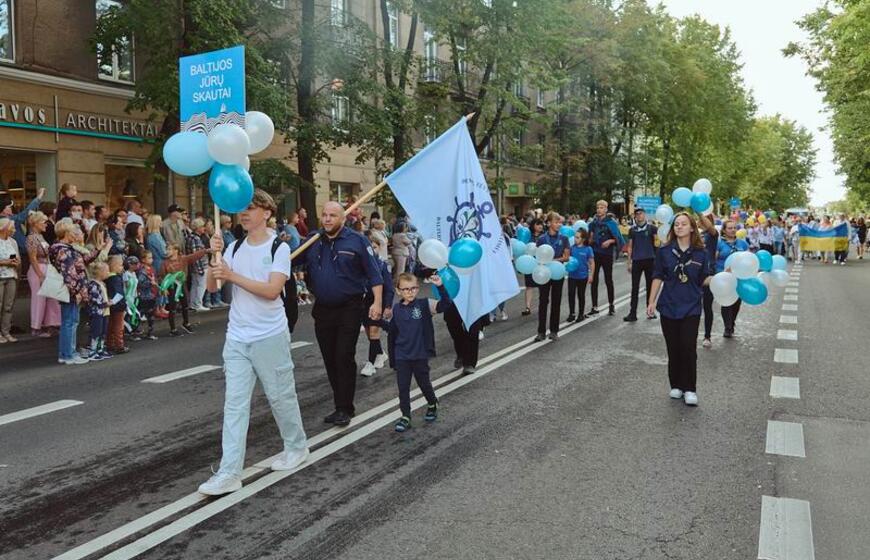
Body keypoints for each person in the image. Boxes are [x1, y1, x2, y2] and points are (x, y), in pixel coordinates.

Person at [199, 189, 309, 496]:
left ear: (267, 212)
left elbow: (272, 291)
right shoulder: (233, 247)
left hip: (269, 336)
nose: (244, 213)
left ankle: (296, 447)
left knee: (280, 397)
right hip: (237, 337)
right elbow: (213, 287)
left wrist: (232, 275)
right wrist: (214, 258)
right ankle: (229, 473)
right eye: (241, 209)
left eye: (251, 208)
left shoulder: (278, 248)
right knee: (234, 405)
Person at [299, 201, 383, 427]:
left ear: (343, 218)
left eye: (333, 215)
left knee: (343, 355)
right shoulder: (313, 241)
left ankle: (345, 408)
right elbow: (288, 261)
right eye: (324, 215)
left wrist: (377, 302)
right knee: (330, 358)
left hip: (350, 307)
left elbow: (374, 274)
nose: (327, 219)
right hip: (322, 309)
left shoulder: (357, 241)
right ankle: (340, 403)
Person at [647, 212, 711, 407]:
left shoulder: (701, 253)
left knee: (688, 347)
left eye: (683, 224)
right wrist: (651, 301)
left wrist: (720, 278)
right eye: (676, 224)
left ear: (692, 228)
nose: (679, 227)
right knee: (673, 348)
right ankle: (676, 385)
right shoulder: (665, 251)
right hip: (669, 305)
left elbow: (704, 279)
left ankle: (690, 388)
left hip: (691, 306)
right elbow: (658, 276)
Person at [387, 272, 449, 432]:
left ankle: (432, 403)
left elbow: (444, 305)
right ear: (398, 291)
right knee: (403, 388)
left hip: (420, 354)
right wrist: (376, 321)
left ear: (418, 288)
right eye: (406, 289)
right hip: (402, 355)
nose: (410, 292)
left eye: (413, 288)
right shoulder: (396, 309)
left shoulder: (424, 304)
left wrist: (440, 286)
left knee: (424, 384)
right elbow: (392, 332)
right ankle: (406, 416)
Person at [50, 218, 110, 364]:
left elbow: (84, 261)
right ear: (66, 233)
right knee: (70, 322)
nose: (76, 234)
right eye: (72, 232)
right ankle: (67, 354)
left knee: (71, 321)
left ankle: (68, 352)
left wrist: (98, 250)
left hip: (73, 290)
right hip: (71, 291)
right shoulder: (64, 250)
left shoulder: (68, 248)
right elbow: (69, 274)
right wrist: (76, 292)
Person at [360, 232, 394, 377]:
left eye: (374, 247)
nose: (372, 250)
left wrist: (387, 306)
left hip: (378, 301)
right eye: (369, 247)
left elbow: (389, 288)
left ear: (379, 248)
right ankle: (380, 353)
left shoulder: (383, 265)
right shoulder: (361, 265)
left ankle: (370, 363)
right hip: (364, 303)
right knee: (370, 333)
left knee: (374, 332)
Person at [534, 212, 570, 342]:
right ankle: (541, 332)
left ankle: (554, 331)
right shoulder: (542, 239)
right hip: (544, 273)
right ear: (549, 223)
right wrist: (544, 261)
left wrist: (552, 260)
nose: (559, 224)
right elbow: (537, 256)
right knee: (543, 301)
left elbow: (566, 257)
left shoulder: (564, 238)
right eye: (556, 222)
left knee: (556, 301)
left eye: (560, 222)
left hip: (557, 272)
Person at [161, 242, 208, 337]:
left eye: (169, 249)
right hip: (172, 287)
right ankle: (173, 329)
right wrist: (164, 288)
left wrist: (206, 250)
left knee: (185, 305)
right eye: (167, 249)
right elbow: (162, 276)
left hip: (182, 285)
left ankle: (186, 323)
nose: (167, 251)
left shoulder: (183, 259)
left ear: (176, 250)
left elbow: (194, 256)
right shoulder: (165, 263)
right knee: (172, 308)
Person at [26, 211, 61, 337]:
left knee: (52, 298)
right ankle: (36, 327)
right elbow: (32, 258)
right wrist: (40, 275)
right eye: (44, 222)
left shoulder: (41, 236)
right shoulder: (31, 238)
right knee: (39, 298)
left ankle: (51, 324)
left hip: (47, 267)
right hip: (38, 269)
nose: (46, 224)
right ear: (35, 223)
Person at [588, 200, 624, 316]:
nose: (599, 209)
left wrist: (610, 241)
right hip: (595, 253)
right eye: (598, 207)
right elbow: (589, 239)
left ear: (606, 209)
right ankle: (594, 306)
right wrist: (590, 239)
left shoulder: (611, 223)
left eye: (602, 207)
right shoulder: (593, 224)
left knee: (608, 279)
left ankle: (611, 305)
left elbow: (618, 238)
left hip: (607, 254)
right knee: (594, 280)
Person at [715, 219, 749, 339]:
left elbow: (748, 259)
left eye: (734, 228)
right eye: (730, 228)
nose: (733, 230)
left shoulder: (742, 244)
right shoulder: (719, 243)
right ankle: (728, 327)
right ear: (724, 230)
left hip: (739, 278)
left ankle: (732, 321)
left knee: (736, 302)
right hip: (723, 277)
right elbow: (714, 259)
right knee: (726, 302)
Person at [624, 208, 658, 322]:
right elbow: (630, 246)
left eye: (641, 213)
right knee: (635, 287)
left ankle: (650, 311)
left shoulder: (652, 228)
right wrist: (629, 262)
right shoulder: (632, 230)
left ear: (645, 215)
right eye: (637, 214)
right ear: (635, 216)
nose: (639, 216)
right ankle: (632, 313)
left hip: (650, 260)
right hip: (637, 260)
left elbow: (657, 244)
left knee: (650, 286)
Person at [85, 261, 112, 360]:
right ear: (100, 272)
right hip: (97, 312)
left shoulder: (103, 284)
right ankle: (93, 351)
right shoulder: (93, 284)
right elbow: (94, 299)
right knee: (96, 331)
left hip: (105, 312)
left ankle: (100, 349)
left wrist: (108, 301)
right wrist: (105, 304)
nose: (108, 273)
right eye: (107, 271)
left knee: (103, 331)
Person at [567, 228, 594, 322]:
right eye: (575, 237)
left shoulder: (588, 249)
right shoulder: (572, 248)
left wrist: (591, 275)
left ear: (583, 239)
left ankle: (581, 314)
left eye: (578, 237)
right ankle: (572, 313)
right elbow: (567, 260)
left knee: (581, 295)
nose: (575, 239)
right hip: (572, 276)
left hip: (582, 276)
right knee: (571, 294)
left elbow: (591, 263)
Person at [0, 218, 20, 343]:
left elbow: (17, 258)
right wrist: (5, 262)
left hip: (11, 275)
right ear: (4, 228)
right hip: (0, 276)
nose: (14, 230)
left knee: (8, 306)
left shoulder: (13, 242)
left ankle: (6, 332)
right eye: (11, 227)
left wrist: (16, 262)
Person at [105, 255, 129, 354]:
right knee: (119, 326)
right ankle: (119, 345)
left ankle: (110, 344)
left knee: (110, 325)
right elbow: (119, 293)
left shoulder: (107, 278)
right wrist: (121, 304)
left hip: (111, 306)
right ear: (114, 266)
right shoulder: (116, 279)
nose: (122, 267)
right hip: (118, 305)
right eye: (120, 265)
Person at [522, 219, 545, 315]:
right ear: (533, 225)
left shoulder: (544, 236)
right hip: (530, 264)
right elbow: (523, 248)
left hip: (542, 264)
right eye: (538, 224)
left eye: (541, 224)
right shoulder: (528, 236)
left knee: (542, 286)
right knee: (529, 286)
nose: (540, 226)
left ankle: (542, 306)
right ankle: (527, 307)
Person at [186, 218, 210, 312]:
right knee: (201, 285)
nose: (204, 228)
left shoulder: (190, 237)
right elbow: (197, 255)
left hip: (194, 266)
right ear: (198, 227)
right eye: (202, 226)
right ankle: (198, 303)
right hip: (200, 265)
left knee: (195, 284)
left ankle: (193, 303)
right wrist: (200, 269)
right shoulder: (195, 238)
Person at [137, 251, 159, 339]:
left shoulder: (152, 269)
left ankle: (150, 332)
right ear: (143, 260)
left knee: (151, 315)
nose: (151, 259)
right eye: (149, 258)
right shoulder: (142, 271)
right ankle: (136, 331)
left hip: (152, 294)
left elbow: (155, 280)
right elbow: (140, 283)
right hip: (145, 296)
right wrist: (150, 283)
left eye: (151, 258)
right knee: (142, 314)